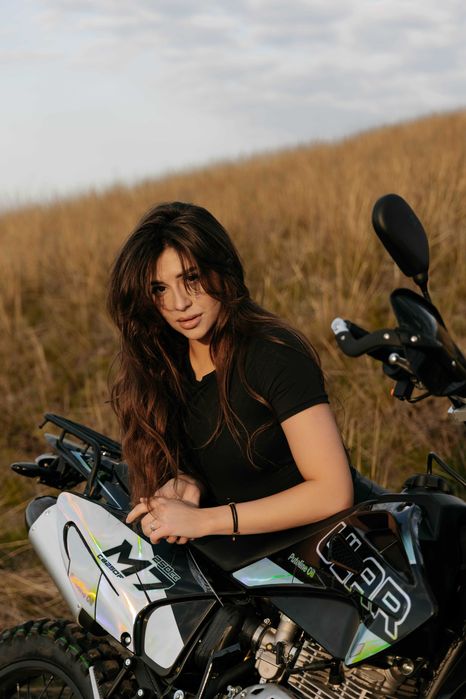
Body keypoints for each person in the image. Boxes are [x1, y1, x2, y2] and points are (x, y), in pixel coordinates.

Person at [107, 202, 353, 545]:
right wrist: (188, 481)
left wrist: (205, 520)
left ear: (221, 269)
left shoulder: (273, 353)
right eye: (159, 289)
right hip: (236, 562)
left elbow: (333, 492)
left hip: (317, 553)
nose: (179, 304)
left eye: (191, 278)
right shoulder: (161, 366)